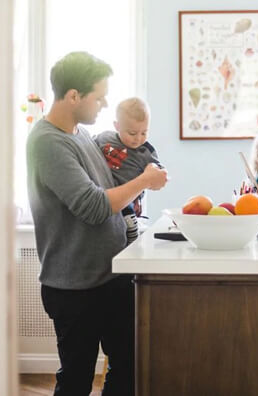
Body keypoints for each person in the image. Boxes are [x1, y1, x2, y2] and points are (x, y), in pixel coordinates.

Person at [26, 51, 168, 396]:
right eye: (99, 96)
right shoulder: (47, 142)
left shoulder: (81, 135)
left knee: (127, 366)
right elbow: (93, 206)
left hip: (108, 277)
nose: (104, 104)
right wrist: (145, 181)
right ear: (73, 96)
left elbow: (110, 191)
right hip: (75, 287)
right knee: (76, 379)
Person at [94, 97, 162, 244]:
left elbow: (157, 171)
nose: (138, 138)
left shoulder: (146, 151)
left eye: (144, 133)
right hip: (107, 193)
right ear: (117, 126)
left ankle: (132, 233)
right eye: (132, 133)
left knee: (129, 223)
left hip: (131, 197)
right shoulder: (104, 138)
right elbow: (88, 149)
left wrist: (156, 173)